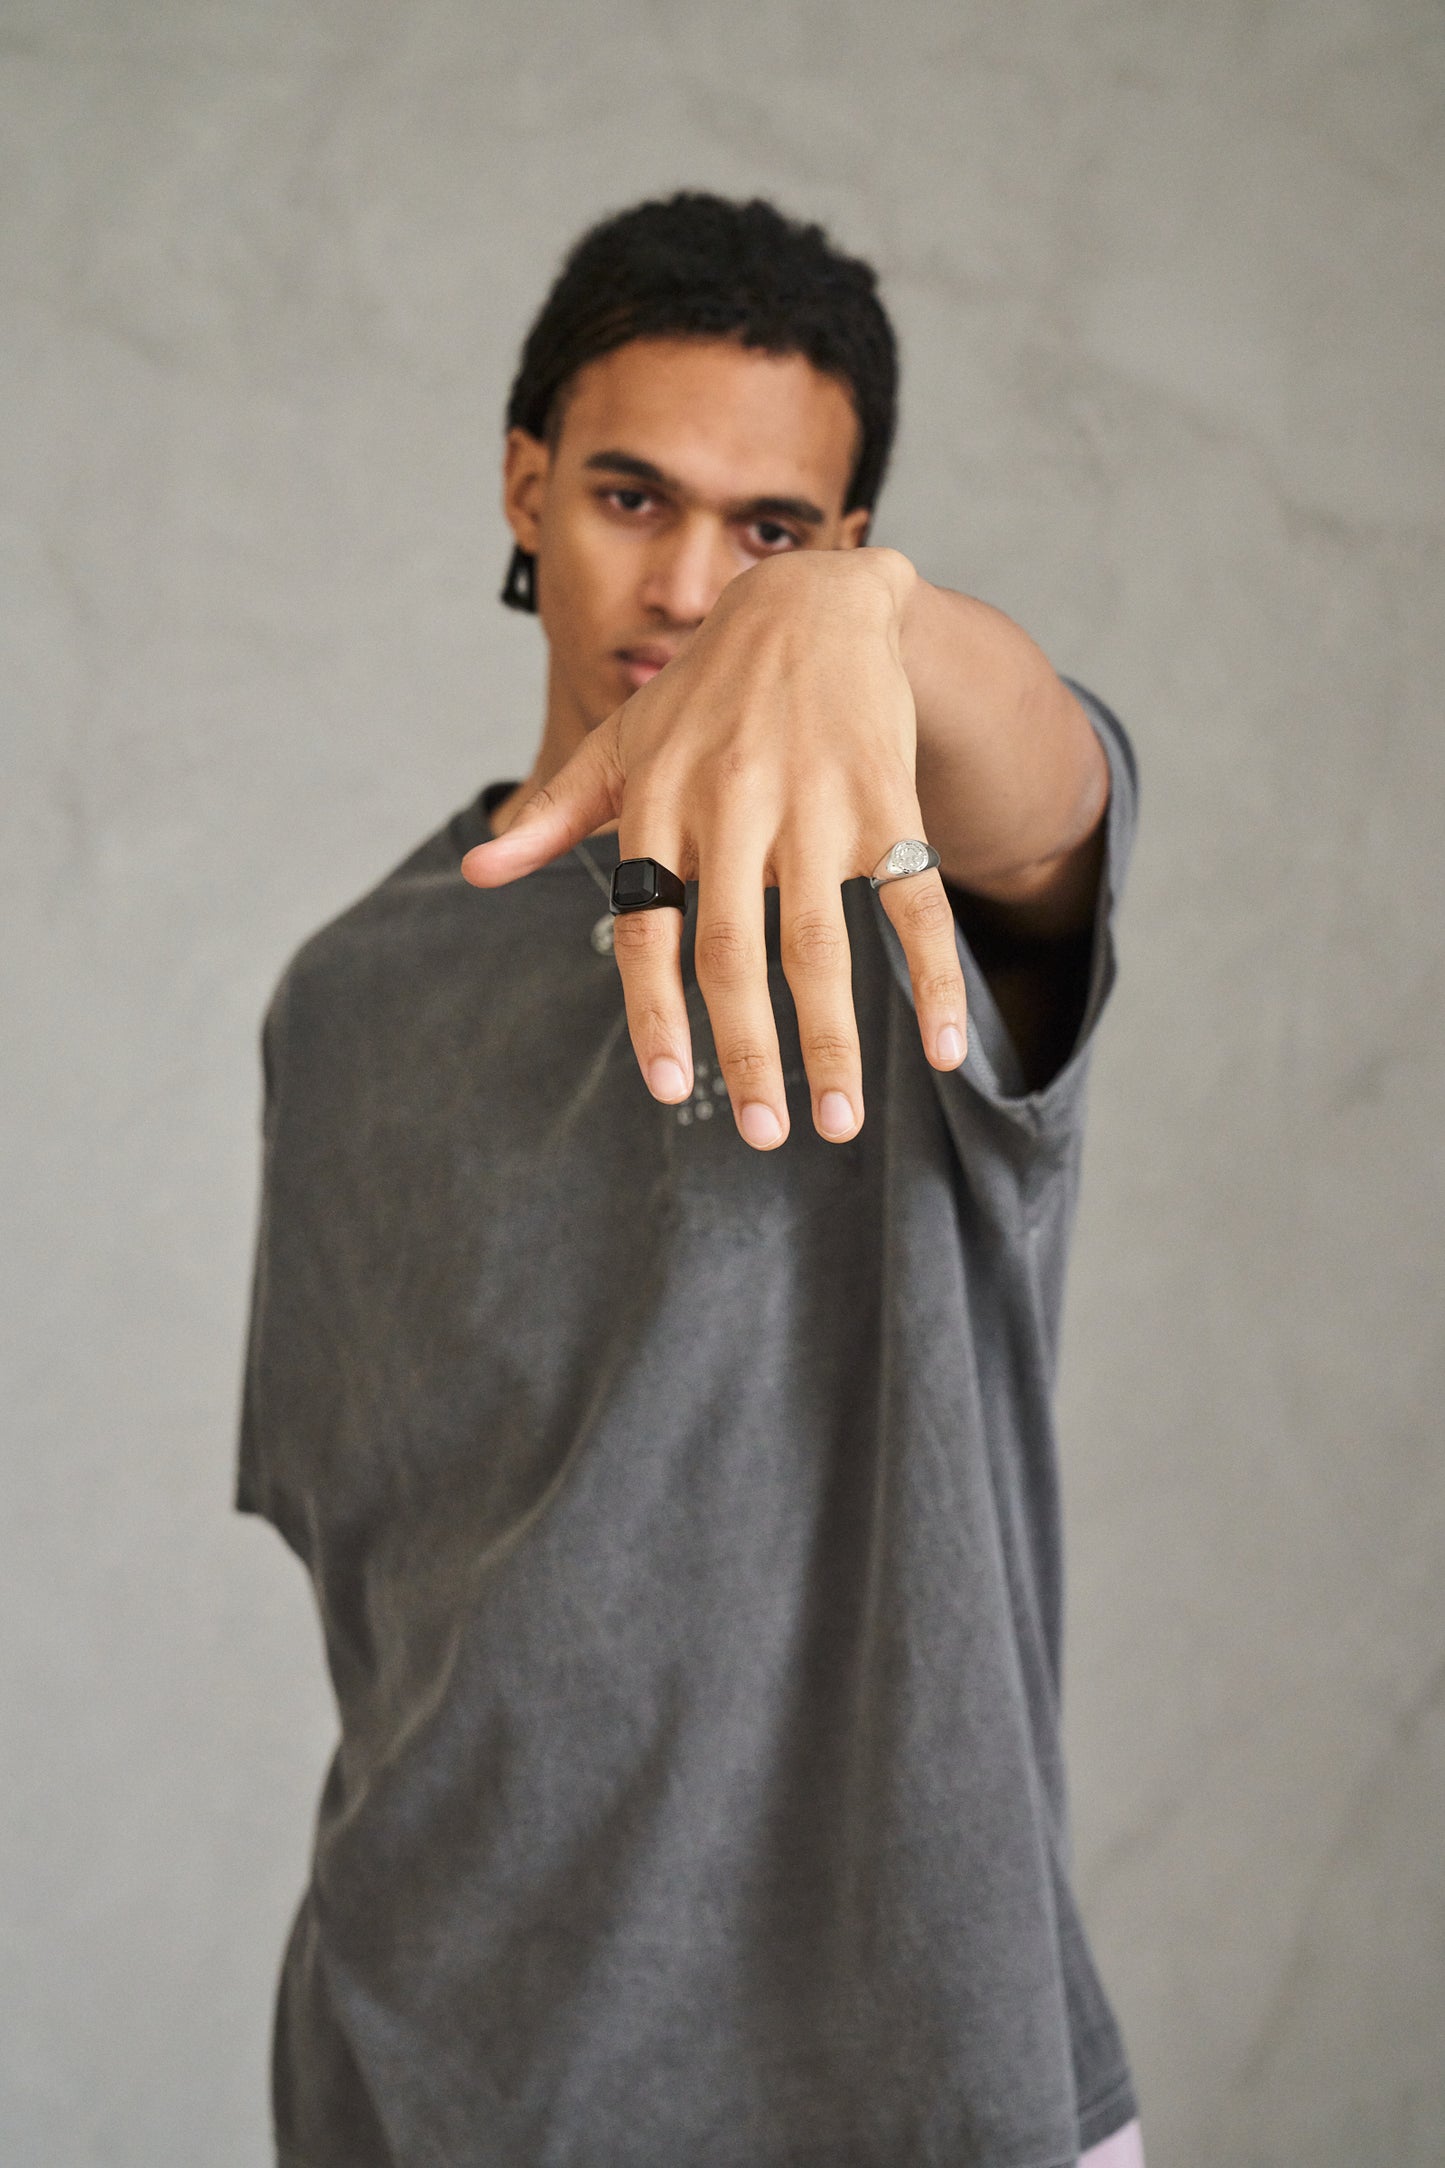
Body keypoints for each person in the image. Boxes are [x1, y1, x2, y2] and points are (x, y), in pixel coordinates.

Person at [236, 189, 1147, 2168]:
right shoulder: (348, 1000)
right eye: (632, 497)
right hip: (429, 2076)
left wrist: (865, 624)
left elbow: (1056, 798)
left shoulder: (900, 907)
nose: (686, 588)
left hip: (903, 2080)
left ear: (850, 543)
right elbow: (394, 1605)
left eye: (771, 534)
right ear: (525, 486)